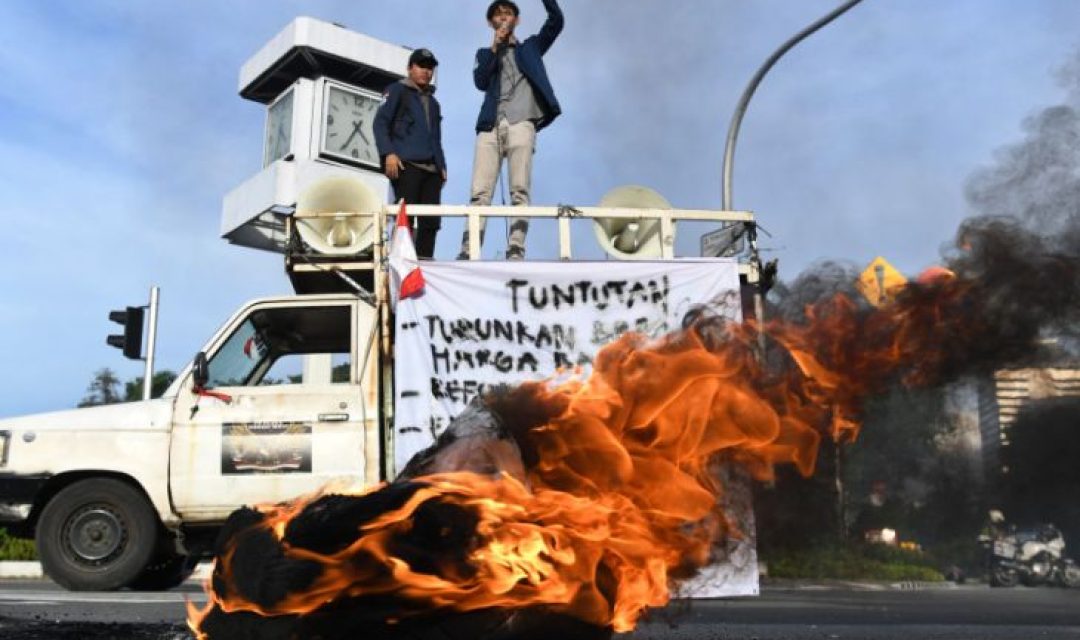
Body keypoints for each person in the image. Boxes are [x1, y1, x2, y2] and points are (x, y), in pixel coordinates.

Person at [457, 0, 564, 260]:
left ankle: (516, 247)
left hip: (522, 120)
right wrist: (496, 46)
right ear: (491, 23)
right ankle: (469, 249)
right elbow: (481, 81)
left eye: (508, 14)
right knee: (479, 193)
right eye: (498, 14)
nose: (503, 17)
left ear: (517, 20)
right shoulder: (485, 53)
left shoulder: (531, 47)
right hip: (490, 125)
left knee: (520, 189)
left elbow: (556, 23)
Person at [374, 48, 447, 259]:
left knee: (431, 222)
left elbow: (436, 138)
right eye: (421, 66)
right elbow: (380, 123)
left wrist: (441, 166)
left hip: (431, 169)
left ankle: (425, 263)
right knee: (406, 218)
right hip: (407, 165)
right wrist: (388, 153)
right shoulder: (397, 90)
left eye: (430, 67)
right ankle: (403, 261)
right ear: (410, 68)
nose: (426, 71)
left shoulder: (433, 103)